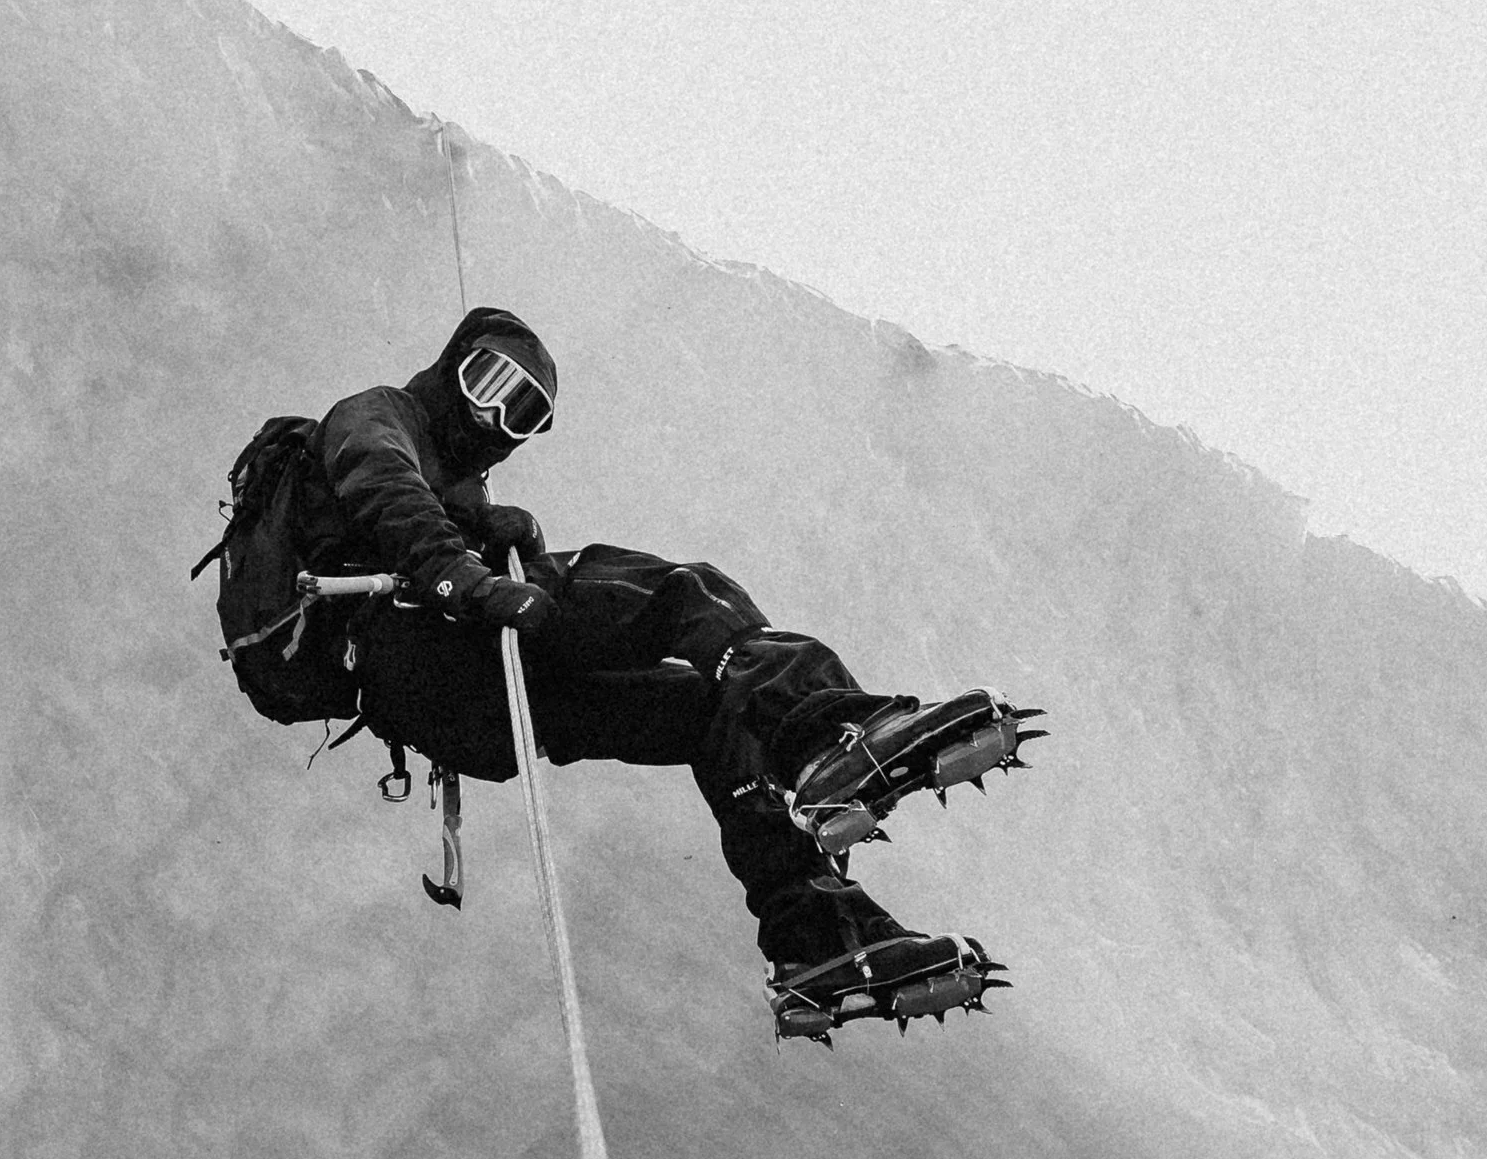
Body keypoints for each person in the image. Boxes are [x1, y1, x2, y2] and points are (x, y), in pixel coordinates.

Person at [286, 306, 1042, 1038]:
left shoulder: (453, 489)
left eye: (520, 409)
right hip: (421, 654)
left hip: (470, 708)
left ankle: (818, 936)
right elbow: (383, 485)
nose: (492, 416)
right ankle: (827, 732)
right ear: (451, 364)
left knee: (709, 710)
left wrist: (484, 531)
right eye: (487, 381)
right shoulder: (379, 415)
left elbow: (420, 513)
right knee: (687, 594)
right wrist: (465, 573)